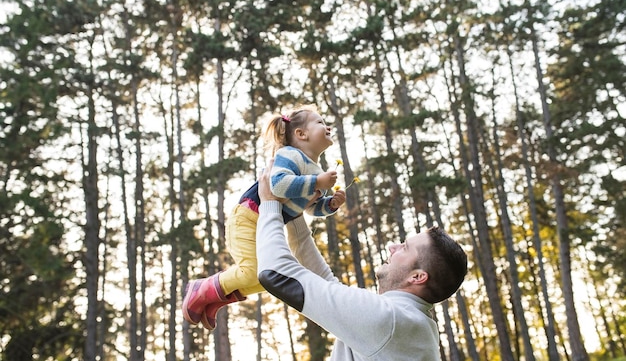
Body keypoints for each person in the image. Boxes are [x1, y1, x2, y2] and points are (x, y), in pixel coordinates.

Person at [256, 159, 468, 361]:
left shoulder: (390, 320)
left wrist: (269, 204)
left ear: (418, 276)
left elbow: (275, 274)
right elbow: (327, 285)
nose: (393, 247)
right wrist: (294, 216)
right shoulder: (410, 323)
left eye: (404, 247)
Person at [182, 105, 347, 331]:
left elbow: (310, 208)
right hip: (248, 218)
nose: (327, 126)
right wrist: (318, 182)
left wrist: (330, 205)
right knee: (254, 271)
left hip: (264, 225)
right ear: (301, 134)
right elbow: (278, 185)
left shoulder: (316, 168)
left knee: (269, 277)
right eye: (320, 122)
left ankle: (215, 299)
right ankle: (203, 288)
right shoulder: (290, 155)